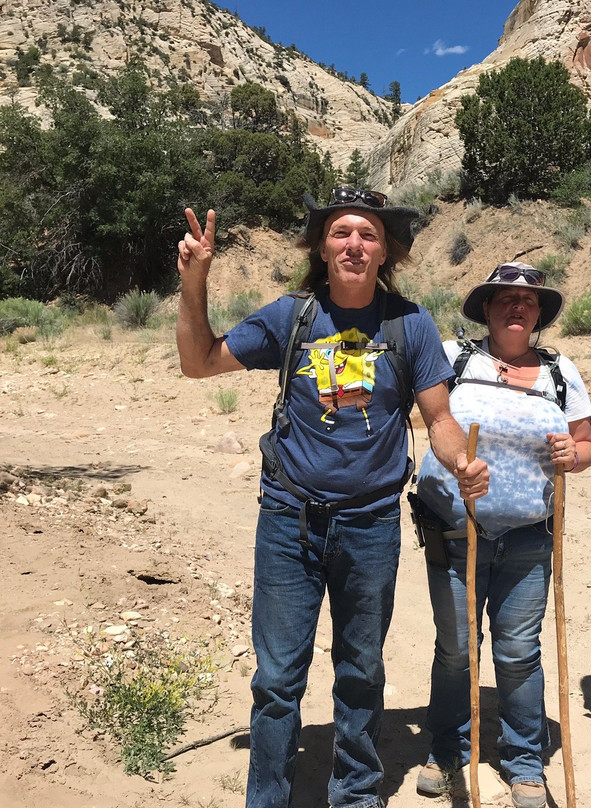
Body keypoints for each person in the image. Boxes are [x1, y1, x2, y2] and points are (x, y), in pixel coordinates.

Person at [175, 187, 490, 808]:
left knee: (361, 670)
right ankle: (267, 798)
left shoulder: (410, 324)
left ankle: (356, 793)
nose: (354, 244)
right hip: (289, 520)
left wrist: (459, 459)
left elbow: (440, 417)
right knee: (276, 680)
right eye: (342, 232)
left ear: (384, 251)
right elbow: (199, 362)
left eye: (368, 234)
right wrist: (195, 283)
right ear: (322, 247)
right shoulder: (290, 316)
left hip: (370, 524)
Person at [412, 263, 591, 808]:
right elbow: (423, 414)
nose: (517, 307)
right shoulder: (452, 358)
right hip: (454, 531)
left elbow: (586, 445)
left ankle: (523, 763)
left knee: (519, 652)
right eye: (504, 299)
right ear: (486, 310)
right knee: (457, 650)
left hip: (529, 537)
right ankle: (447, 751)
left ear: (539, 314)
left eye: (528, 301)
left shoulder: (560, 372)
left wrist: (575, 455)